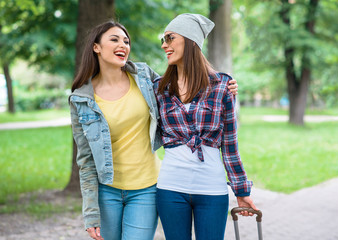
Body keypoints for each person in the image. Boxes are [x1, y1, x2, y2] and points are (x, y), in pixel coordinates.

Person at [69, 21, 238, 240]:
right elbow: (85, 159)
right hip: (106, 190)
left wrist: (221, 84)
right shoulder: (81, 99)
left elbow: (185, 87)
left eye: (126, 41)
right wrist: (91, 212)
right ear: (96, 47)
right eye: (114, 39)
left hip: (146, 187)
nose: (123, 45)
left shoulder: (144, 78)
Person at [154, 13, 258, 240]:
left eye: (170, 38)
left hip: (212, 189)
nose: (164, 45)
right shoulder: (159, 89)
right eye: (163, 39)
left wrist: (242, 191)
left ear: (190, 41)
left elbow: (230, 146)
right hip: (170, 188)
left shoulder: (222, 86)